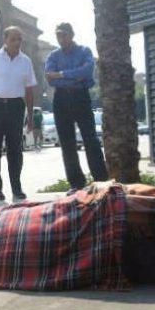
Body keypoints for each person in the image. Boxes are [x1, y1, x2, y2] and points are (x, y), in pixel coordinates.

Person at [0, 27, 38, 203]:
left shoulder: (26, 61)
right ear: (5, 40)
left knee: (15, 150)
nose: (17, 43)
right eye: (13, 39)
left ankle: (16, 188)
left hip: (15, 107)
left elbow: (29, 91)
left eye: (19, 39)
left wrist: (31, 117)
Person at [45, 22, 107, 193]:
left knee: (90, 140)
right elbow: (50, 78)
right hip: (61, 98)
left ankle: (101, 180)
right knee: (67, 143)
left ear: (72, 35)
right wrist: (74, 75)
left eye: (64, 34)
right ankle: (76, 183)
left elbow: (87, 72)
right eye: (58, 35)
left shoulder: (84, 51)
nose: (61, 38)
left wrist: (62, 74)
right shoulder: (53, 56)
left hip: (81, 97)